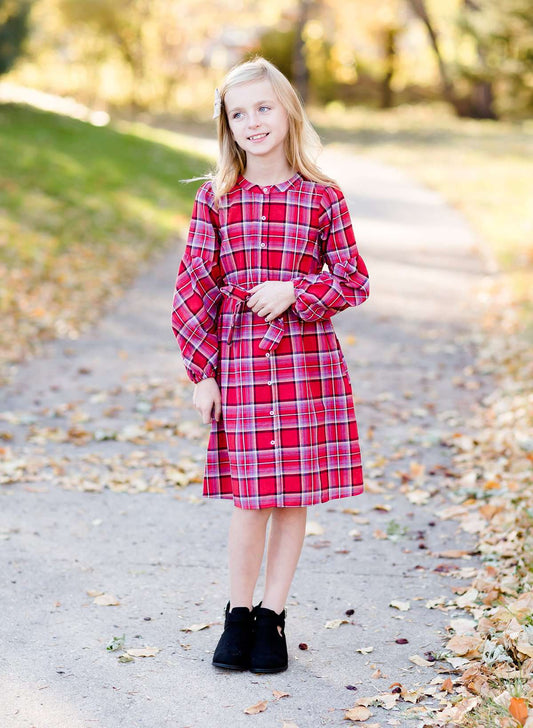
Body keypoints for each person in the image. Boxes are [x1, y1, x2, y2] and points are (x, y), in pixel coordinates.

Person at [171, 56, 369, 674]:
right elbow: (192, 290)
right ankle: (236, 614)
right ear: (228, 127)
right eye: (240, 113)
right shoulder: (217, 200)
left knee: (291, 497)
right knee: (250, 499)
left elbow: (354, 280)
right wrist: (202, 372)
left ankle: (273, 617)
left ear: (287, 110)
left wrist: (296, 291)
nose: (254, 122)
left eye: (264, 107)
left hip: (307, 365)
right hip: (241, 366)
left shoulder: (322, 197)